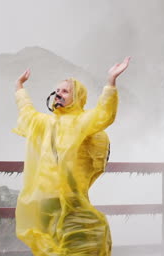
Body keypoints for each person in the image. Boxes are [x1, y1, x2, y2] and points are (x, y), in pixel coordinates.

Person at [13, 57, 130, 256]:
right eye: (57, 91)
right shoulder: (45, 123)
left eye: (65, 91)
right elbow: (27, 113)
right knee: (80, 241)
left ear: (77, 98)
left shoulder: (81, 122)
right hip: (50, 201)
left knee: (87, 237)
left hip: (68, 200)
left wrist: (111, 81)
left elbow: (104, 113)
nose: (58, 94)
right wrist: (19, 87)